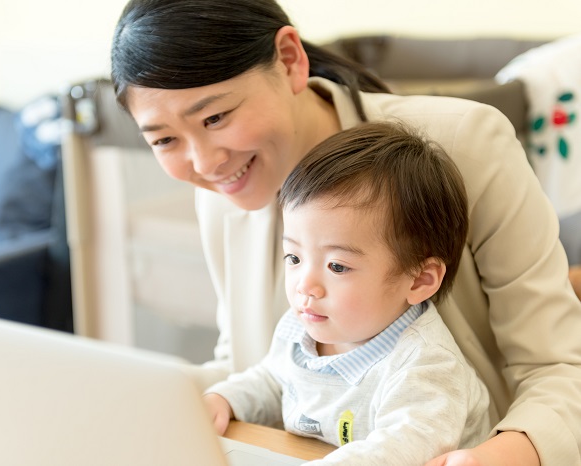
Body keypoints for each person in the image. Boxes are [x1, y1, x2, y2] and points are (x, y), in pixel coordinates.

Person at [110, 1, 581, 464]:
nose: (205, 162)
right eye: (164, 140)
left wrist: (507, 454)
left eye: (215, 118)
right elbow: (255, 362)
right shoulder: (218, 191)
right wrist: (142, 399)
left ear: (291, 60)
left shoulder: (465, 143)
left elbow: (557, 365)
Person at [203, 121, 491, 465]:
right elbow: (272, 380)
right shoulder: (302, 326)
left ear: (419, 280)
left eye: (337, 267)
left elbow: (402, 447)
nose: (305, 285)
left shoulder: (427, 366)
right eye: (294, 257)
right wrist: (224, 400)